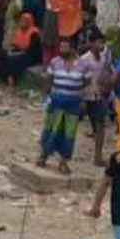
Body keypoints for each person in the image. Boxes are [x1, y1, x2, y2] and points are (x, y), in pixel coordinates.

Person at [37, 37, 89, 174]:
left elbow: (87, 83)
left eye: (65, 47)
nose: (62, 50)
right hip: (55, 102)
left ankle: (63, 162)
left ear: (72, 48)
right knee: (50, 130)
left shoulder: (83, 65)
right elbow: (48, 80)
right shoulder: (54, 62)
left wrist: (82, 99)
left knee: (69, 134)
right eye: (61, 47)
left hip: (73, 104)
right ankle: (43, 156)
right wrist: (46, 97)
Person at [78, 29, 114, 167]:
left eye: (102, 42)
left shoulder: (103, 57)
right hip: (85, 96)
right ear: (91, 43)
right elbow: (79, 79)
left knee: (100, 126)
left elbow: (106, 72)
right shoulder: (85, 59)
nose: (101, 45)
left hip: (98, 96)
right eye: (98, 42)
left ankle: (98, 157)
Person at [0, 12, 42, 86]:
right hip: (19, 51)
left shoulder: (34, 33)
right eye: (22, 20)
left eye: (25, 20)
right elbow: (14, 44)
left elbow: (33, 50)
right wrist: (11, 50)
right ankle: (1, 77)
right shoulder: (19, 30)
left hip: (30, 56)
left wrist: (17, 53)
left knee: (14, 59)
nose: (23, 22)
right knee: (2, 55)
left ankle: (12, 79)